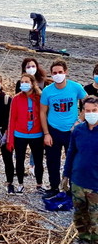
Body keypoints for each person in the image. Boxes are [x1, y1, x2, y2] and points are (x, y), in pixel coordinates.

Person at [40, 59, 87, 199]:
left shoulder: (76, 87)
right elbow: (42, 112)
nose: (58, 75)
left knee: (73, 160)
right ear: (51, 74)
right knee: (52, 160)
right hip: (53, 130)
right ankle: (54, 187)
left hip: (72, 131)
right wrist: (46, 133)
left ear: (66, 72)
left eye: (60, 72)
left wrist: (80, 120)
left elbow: (88, 103)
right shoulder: (48, 91)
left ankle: (72, 189)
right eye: (55, 73)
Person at [62, 96, 98, 244]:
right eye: (87, 111)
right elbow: (71, 152)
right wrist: (66, 175)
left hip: (96, 185)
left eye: (94, 110)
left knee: (95, 223)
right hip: (77, 181)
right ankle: (83, 237)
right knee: (79, 215)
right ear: (82, 112)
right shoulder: (78, 131)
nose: (90, 114)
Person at [7, 74, 45, 195]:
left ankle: (39, 184)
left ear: (32, 83)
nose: (24, 84)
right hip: (20, 134)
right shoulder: (16, 98)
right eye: (22, 82)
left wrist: (46, 134)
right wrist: (10, 139)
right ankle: (20, 184)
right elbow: (12, 119)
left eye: (27, 81)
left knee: (38, 160)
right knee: (20, 160)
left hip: (37, 134)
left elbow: (45, 115)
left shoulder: (40, 97)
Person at [15, 58, 50, 176]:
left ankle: (33, 165)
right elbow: (18, 100)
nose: (31, 68)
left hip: (39, 118)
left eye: (33, 66)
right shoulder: (21, 82)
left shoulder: (43, 82)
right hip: (24, 121)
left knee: (37, 148)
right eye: (28, 66)